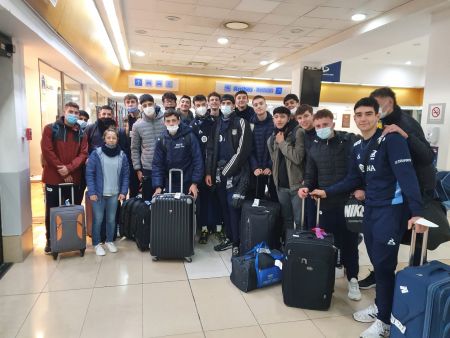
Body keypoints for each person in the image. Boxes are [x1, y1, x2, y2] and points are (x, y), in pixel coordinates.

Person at [310, 97, 425, 338]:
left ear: (377, 116)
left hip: (391, 211)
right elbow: (353, 179)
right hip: (370, 210)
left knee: (384, 264)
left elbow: (407, 177)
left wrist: (417, 213)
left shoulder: (391, 140)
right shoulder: (358, 147)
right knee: (378, 264)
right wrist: (328, 191)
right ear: (354, 118)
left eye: (368, 114)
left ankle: (385, 321)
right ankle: (382, 306)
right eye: (359, 115)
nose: (363, 119)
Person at [358, 87, 436, 288]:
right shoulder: (382, 125)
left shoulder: (406, 123)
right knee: (384, 244)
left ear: (388, 104)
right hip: (391, 191)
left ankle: (416, 280)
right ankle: (381, 276)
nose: (368, 114)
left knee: (417, 238)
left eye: (374, 107)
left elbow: (427, 156)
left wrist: (406, 136)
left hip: (414, 190)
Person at [298, 109, 361, 301]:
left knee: (350, 244)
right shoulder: (314, 147)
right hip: (323, 205)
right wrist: (306, 187)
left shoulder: (349, 142)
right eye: (318, 126)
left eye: (325, 125)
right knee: (325, 243)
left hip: (347, 203)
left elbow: (355, 174)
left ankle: (353, 280)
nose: (321, 128)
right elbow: (310, 175)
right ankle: (325, 279)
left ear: (332, 123)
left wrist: (359, 187)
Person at [205, 94, 252, 256]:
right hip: (218, 175)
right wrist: (209, 172)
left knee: (234, 208)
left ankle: (237, 243)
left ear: (233, 106)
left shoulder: (241, 122)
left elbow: (243, 151)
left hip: (236, 174)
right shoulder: (217, 124)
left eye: (227, 103)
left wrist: (226, 171)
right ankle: (230, 238)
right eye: (223, 103)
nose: (225, 105)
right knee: (224, 208)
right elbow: (211, 150)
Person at [40, 102, 88, 253]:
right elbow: (47, 150)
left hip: (74, 178)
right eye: (70, 111)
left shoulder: (81, 133)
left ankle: (71, 238)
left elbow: (83, 154)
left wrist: (70, 168)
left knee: (72, 209)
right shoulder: (50, 129)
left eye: (76, 112)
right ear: (64, 112)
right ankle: (50, 240)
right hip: (54, 178)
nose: (73, 115)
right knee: (52, 209)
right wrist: (63, 170)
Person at [86, 128, 129, 256]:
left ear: (117, 139)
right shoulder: (96, 154)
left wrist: (123, 191)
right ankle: (96, 243)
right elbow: (89, 173)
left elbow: (126, 175)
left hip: (114, 194)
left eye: (114, 137)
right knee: (98, 219)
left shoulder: (122, 155)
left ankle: (109, 241)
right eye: (108, 137)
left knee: (111, 219)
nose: (111, 140)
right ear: (104, 139)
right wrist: (92, 191)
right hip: (98, 194)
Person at [190, 94, 222, 244]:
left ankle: (217, 227)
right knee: (201, 201)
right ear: (194, 107)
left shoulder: (215, 123)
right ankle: (203, 228)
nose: (201, 107)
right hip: (198, 168)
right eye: (198, 105)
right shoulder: (191, 125)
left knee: (215, 198)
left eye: (203, 104)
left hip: (214, 167)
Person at [267, 106, 305, 232]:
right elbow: (274, 161)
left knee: (300, 220)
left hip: (296, 186)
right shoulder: (273, 136)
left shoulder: (298, 132)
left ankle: (300, 247)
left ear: (289, 118)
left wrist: (282, 143)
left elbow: (298, 158)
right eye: (276, 117)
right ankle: (289, 245)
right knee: (287, 218)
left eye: (282, 116)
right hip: (281, 186)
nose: (279, 120)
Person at [152, 109, 203, 198]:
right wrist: (158, 186)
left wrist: (195, 183)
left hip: (188, 182)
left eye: (174, 120)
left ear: (179, 121)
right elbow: (157, 164)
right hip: (170, 182)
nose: (171, 123)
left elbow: (198, 159)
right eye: (168, 121)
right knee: (172, 209)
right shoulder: (162, 139)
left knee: (188, 209)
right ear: (164, 123)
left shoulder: (189, 136)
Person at [131, 93, 165, 201]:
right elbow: (135, 148)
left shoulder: (166, 120)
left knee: (166, 201)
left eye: (150, 104)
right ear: (141, 107)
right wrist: (138, 169)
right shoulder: (137, 125)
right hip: (147, 168)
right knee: (148, 201)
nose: (147, 107)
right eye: (144, 105)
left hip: (165, 166)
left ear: (155, 104)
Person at [249, 95, 277, 201]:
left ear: (266, 105)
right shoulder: (250, 124)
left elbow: (276, 149)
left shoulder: (274, 123)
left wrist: (270, 166)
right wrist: (255, 167)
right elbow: (249, 149)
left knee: (274, 199)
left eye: (261, 103)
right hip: (256, 170)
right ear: (253, 108)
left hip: (272, 169)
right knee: (256, 200)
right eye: (255, 105)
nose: (259, 106)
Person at [124, 94, 141, 197]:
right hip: (128, 157)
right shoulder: (125, 119)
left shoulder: (143, 118)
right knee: (132, 186)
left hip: (141, 156)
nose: (130, 104)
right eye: (128, 102)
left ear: (137, 103)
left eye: (132, 102)